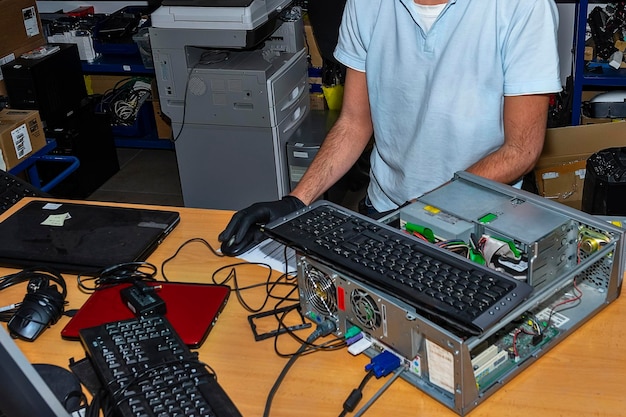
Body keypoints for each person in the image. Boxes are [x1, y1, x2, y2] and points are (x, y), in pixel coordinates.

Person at [219, 0, 562, 256]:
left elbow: (521, 150)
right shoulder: (367, 4)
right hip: (386, 211)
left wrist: (425, 210)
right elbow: (354, 122)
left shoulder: (523, 7)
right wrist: (297, 201)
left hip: (485, 224)